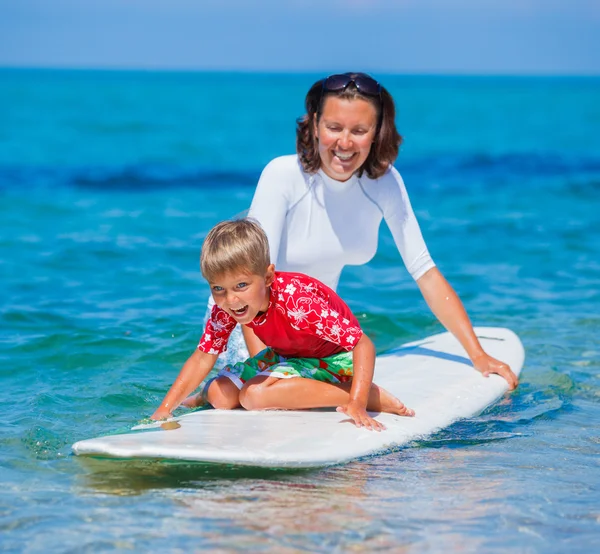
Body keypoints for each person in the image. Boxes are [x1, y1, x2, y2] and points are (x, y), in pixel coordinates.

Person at [241, 72, 519, 390]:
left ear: (376, 133)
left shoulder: (384, 184)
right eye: (334, 127)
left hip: (314, 340)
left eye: (359, 130)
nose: (344, 143)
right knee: (240, 397)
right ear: (315, 124)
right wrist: (265, 369)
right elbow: (249, 282)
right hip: (250, 330)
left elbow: (425, 271)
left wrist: (478, 355)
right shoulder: (283, 176)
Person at [151, 218, 414, 431]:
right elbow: (202, 357)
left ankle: (366, 396)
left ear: (267, 277)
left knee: (252, 397)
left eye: (241, 285)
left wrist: (357, 401)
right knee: (219, 395)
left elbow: (362, 343)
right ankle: (213, 394)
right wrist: (165, 409)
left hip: (336, 360)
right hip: (288, 357)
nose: (230, 299)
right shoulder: (228, 305)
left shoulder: (297, 301)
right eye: (218, 288)